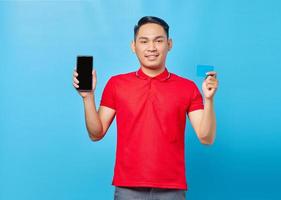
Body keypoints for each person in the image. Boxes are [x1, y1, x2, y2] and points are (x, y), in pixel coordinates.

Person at [73, 16, 218, 200]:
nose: (151, 48)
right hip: (128, 188)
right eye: (144, 41)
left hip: (171, 189)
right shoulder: (116, 84)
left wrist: (209, 99)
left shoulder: (187, 87)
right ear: (134, 46)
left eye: (158, 40)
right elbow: (96, 133)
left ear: (169, 44)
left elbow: (206, 137)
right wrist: (88, 97)